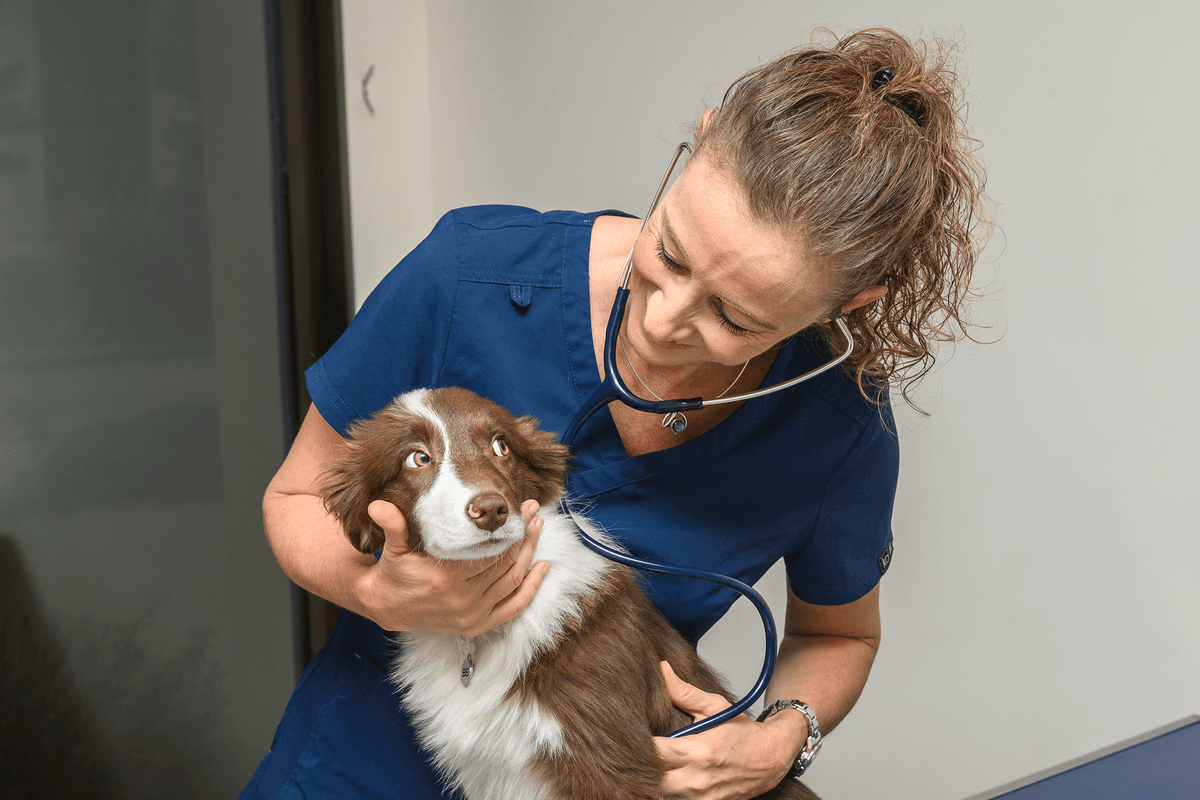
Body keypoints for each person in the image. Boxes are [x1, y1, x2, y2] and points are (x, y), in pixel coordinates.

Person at [241, 26, 989, 800]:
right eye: (669, 253)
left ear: (850, 302)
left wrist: (783, 736)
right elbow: (294, 498)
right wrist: (378, 593)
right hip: (356, 770)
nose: (663, 323)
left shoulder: (838, 428)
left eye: (735, 320)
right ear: (697, 145)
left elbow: (838, 634)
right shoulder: (467, 277)